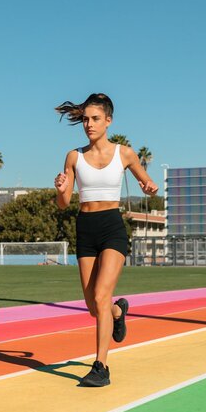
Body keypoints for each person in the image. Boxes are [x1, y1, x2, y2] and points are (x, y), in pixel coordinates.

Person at [54, 93, 157, 387]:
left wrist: (148, 187)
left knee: (100, 294)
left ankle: (101, 366)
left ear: (108, 121)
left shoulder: (124, 153)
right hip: (85, 227)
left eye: (95, 119)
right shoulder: (74, 156)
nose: (89, 124)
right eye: (85, 119)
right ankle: (118, 311)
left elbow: (146, 181)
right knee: (93, 305)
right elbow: (63, 203)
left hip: (112, 226)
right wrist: (61, 189)